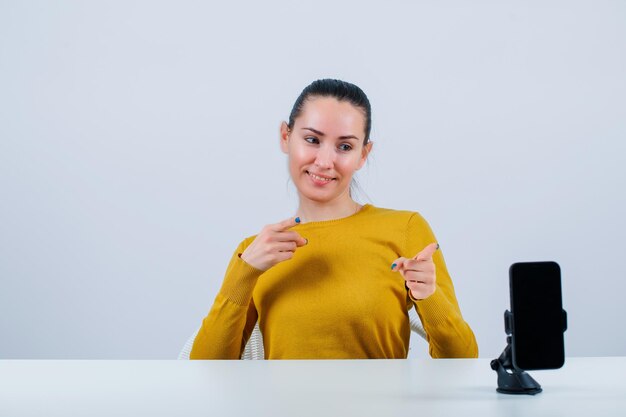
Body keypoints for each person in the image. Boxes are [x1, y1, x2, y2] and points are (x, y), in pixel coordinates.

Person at [190, 79, 478, 359]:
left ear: (363, 154)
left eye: (345, 147)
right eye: (312, 140)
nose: (325, 161)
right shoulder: (257, 250)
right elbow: (206, 372)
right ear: (285, 137)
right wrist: (245, 273)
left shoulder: (405, 229)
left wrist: (429, 296)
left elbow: (462, 360)